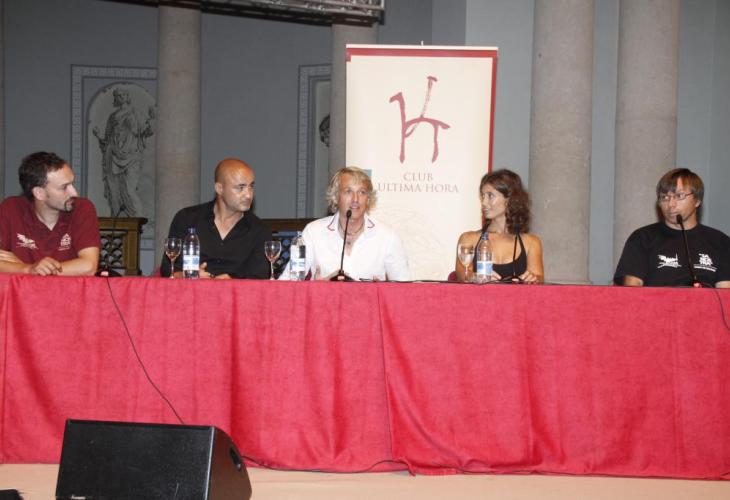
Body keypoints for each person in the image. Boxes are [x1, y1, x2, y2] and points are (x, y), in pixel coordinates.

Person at [282, 166, 410, 281]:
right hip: (324, 301)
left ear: (368, 199)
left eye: (362, 192)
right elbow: (287, 283)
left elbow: (404, 289)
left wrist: (381, 291)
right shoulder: (313, 232)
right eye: (348, 191)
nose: (355, 199)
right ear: (335, 197)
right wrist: (315, 289)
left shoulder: (387, 236)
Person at [614, 168, 730, 288]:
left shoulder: (720, 242)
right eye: (664, 197)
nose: (670, 204)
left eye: (679, 196)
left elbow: (725, 293)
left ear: (697, 200)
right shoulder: (642, 238)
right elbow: (632, 291)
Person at [161, 158, 271, 279]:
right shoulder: (187, 218)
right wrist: (188, 275)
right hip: (191, 290)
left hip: (235, 291)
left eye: (251, 186)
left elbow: (259, 278)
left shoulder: (259, 230)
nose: (248, 195)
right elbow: (168, 269)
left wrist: (232, 281)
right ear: (219, 189)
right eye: (240, 187)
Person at [0, 151, 100, 276]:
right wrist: (28, 269)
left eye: (72, 184)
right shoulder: (11, 208)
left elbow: (88, 267)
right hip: (24, 289)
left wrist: (27, 270)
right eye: (64, 187)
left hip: (69, 289)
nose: (74, 193)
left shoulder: (82, 208)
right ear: (39, 193)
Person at [454, 169, 544, 283]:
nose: (484, 203)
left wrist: (534, 279)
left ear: (509, 199)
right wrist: (475, 277)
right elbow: (462, 274)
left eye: (490, 196)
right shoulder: (468, 238)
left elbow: (539, 278)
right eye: (482, 196)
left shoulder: (531, 242)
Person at [93, 87, 155, 217]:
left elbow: (145, 132)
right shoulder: (112, 117)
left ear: (127, 97)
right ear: (115, 99)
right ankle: (118, 216)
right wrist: (98, 136)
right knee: (114, 189)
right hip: (113, 154)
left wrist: (152, 122)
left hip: (132, 155)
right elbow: (107, 138)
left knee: (129, 188)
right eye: (118, 95)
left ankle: (137, 216)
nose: (121, 97)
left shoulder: (135, 113)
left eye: (123, 95)